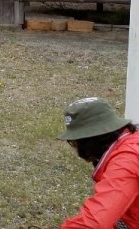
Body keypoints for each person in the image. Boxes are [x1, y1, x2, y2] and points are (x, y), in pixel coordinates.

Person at [58, 96, 139, 228]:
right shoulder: (132, 142)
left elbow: (95, 222)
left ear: (88, 141)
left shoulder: (126, 162)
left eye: (74, 142)